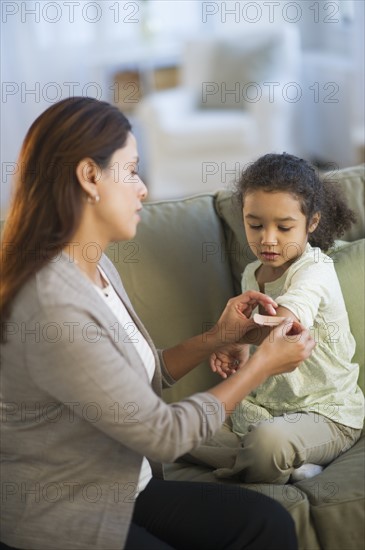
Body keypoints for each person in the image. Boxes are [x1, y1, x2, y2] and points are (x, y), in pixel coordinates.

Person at [0, 98, 315, 550]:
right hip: (65, 514)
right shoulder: (52, 305)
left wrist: (218, 337)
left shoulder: (97, 267)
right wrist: (261, 365)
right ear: (90, 177)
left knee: (268, 524)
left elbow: (141, 379)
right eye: (130, 170)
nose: (143, 188)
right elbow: (163, 434)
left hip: (127, 488)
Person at [187, 153, 364, 485]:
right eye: (255, 225)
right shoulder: (252, 274)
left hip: (325, 413)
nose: (268, 239)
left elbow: (283, 327)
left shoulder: (315, 270)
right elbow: (255, 342)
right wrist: (238, 348)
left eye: (284, 227)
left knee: (268, 443)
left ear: (311, 223)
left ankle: (260, 462)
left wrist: (236, 338)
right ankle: (282, 465)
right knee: (182, 425)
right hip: (264, 410)